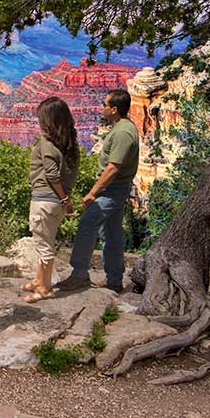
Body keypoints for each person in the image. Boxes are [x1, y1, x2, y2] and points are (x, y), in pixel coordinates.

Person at [58, 89, 140, 293]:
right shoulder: (123, 128)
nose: (101, 107)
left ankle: (79, 274)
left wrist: (93, 193)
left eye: (105, 104)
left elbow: (113, 167)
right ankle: (114, 280)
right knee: (111, 232)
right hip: (115, 189)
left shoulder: (122, 133)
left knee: (87, 224)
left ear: (114, 109)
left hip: (112, 190)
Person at [22, 97, 80, 302]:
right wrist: (65, 199)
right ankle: (38, 280)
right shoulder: (71, 145)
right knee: (46, 241)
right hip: (56, 203)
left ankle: (45, 289)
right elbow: (70, 175)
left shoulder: (47, 143)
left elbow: (52, 174)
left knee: (44, 246)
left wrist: (64, 199)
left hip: (44, 200)